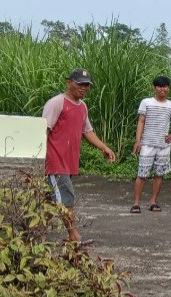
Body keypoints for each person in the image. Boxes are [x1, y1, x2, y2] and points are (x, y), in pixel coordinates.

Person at [42, 68, 116, 245]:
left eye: (87, 85)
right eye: (80, 84)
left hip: (69, 162)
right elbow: (44, 130)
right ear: (69, 83)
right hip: (55, 161)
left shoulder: (82, 107)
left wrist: (104, 148)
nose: (84, 88)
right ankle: (73, 236)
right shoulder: (57, 103)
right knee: (66, 198)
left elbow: (87, 131)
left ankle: (37, 234)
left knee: (50, 201)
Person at [130, 75, 171, 213]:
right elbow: (141, 121)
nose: (162, 89)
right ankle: (136, 203)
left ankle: (153, 202)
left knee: (159, 174)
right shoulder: (146, 102)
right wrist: (138, 141)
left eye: (165, 86)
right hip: (147, 143)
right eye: (160, 86)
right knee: (142, 173)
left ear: (168, 88)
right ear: (154, 88)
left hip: (164, 145)